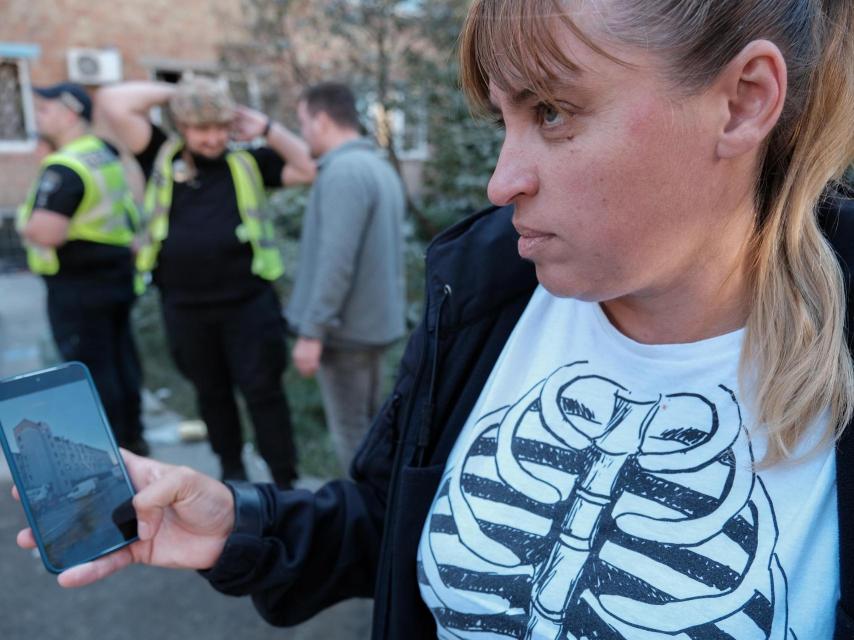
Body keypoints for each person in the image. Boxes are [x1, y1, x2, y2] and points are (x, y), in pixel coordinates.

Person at [12, 1, 854, 638]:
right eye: (504, 119)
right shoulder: (491, 288)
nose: (501, 180)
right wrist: (238, 522)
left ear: (744, 102)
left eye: (554, 112)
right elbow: (388, 524)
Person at [97, 77, 316, 487]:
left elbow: (306, 168)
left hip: (249, 305)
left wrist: (268, 128)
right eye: (201, 128)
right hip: (185, 307)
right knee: (211, 395)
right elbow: (112, 100)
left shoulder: (248, 162)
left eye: (219, 126)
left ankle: (285, 481)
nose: (212, 138)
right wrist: (184, 94)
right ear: (183, 127)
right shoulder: (158, 155)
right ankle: (231, 475)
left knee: (263, 393)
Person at [16, 82, 148, 456]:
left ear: (70, 113)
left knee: (92, 372)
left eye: (45, 110)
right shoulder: (101, 152)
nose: (39, 118)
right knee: (122, 363)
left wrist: (23, 223)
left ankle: (112, 454)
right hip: (114, 274)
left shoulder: (66, 167)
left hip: (78, 286)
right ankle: (134, 440)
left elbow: (46, 231)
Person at [289, 82, 406, 470]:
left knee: (354, 439)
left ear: (321, 121)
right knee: (375, 434)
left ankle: (363, 526)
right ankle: (382, 518)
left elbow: (335, 261)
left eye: (303, 122)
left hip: (346, 333)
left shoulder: (343, 172)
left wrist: (312, 332)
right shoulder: (377, 166)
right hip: (375, 327)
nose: (303, 132)